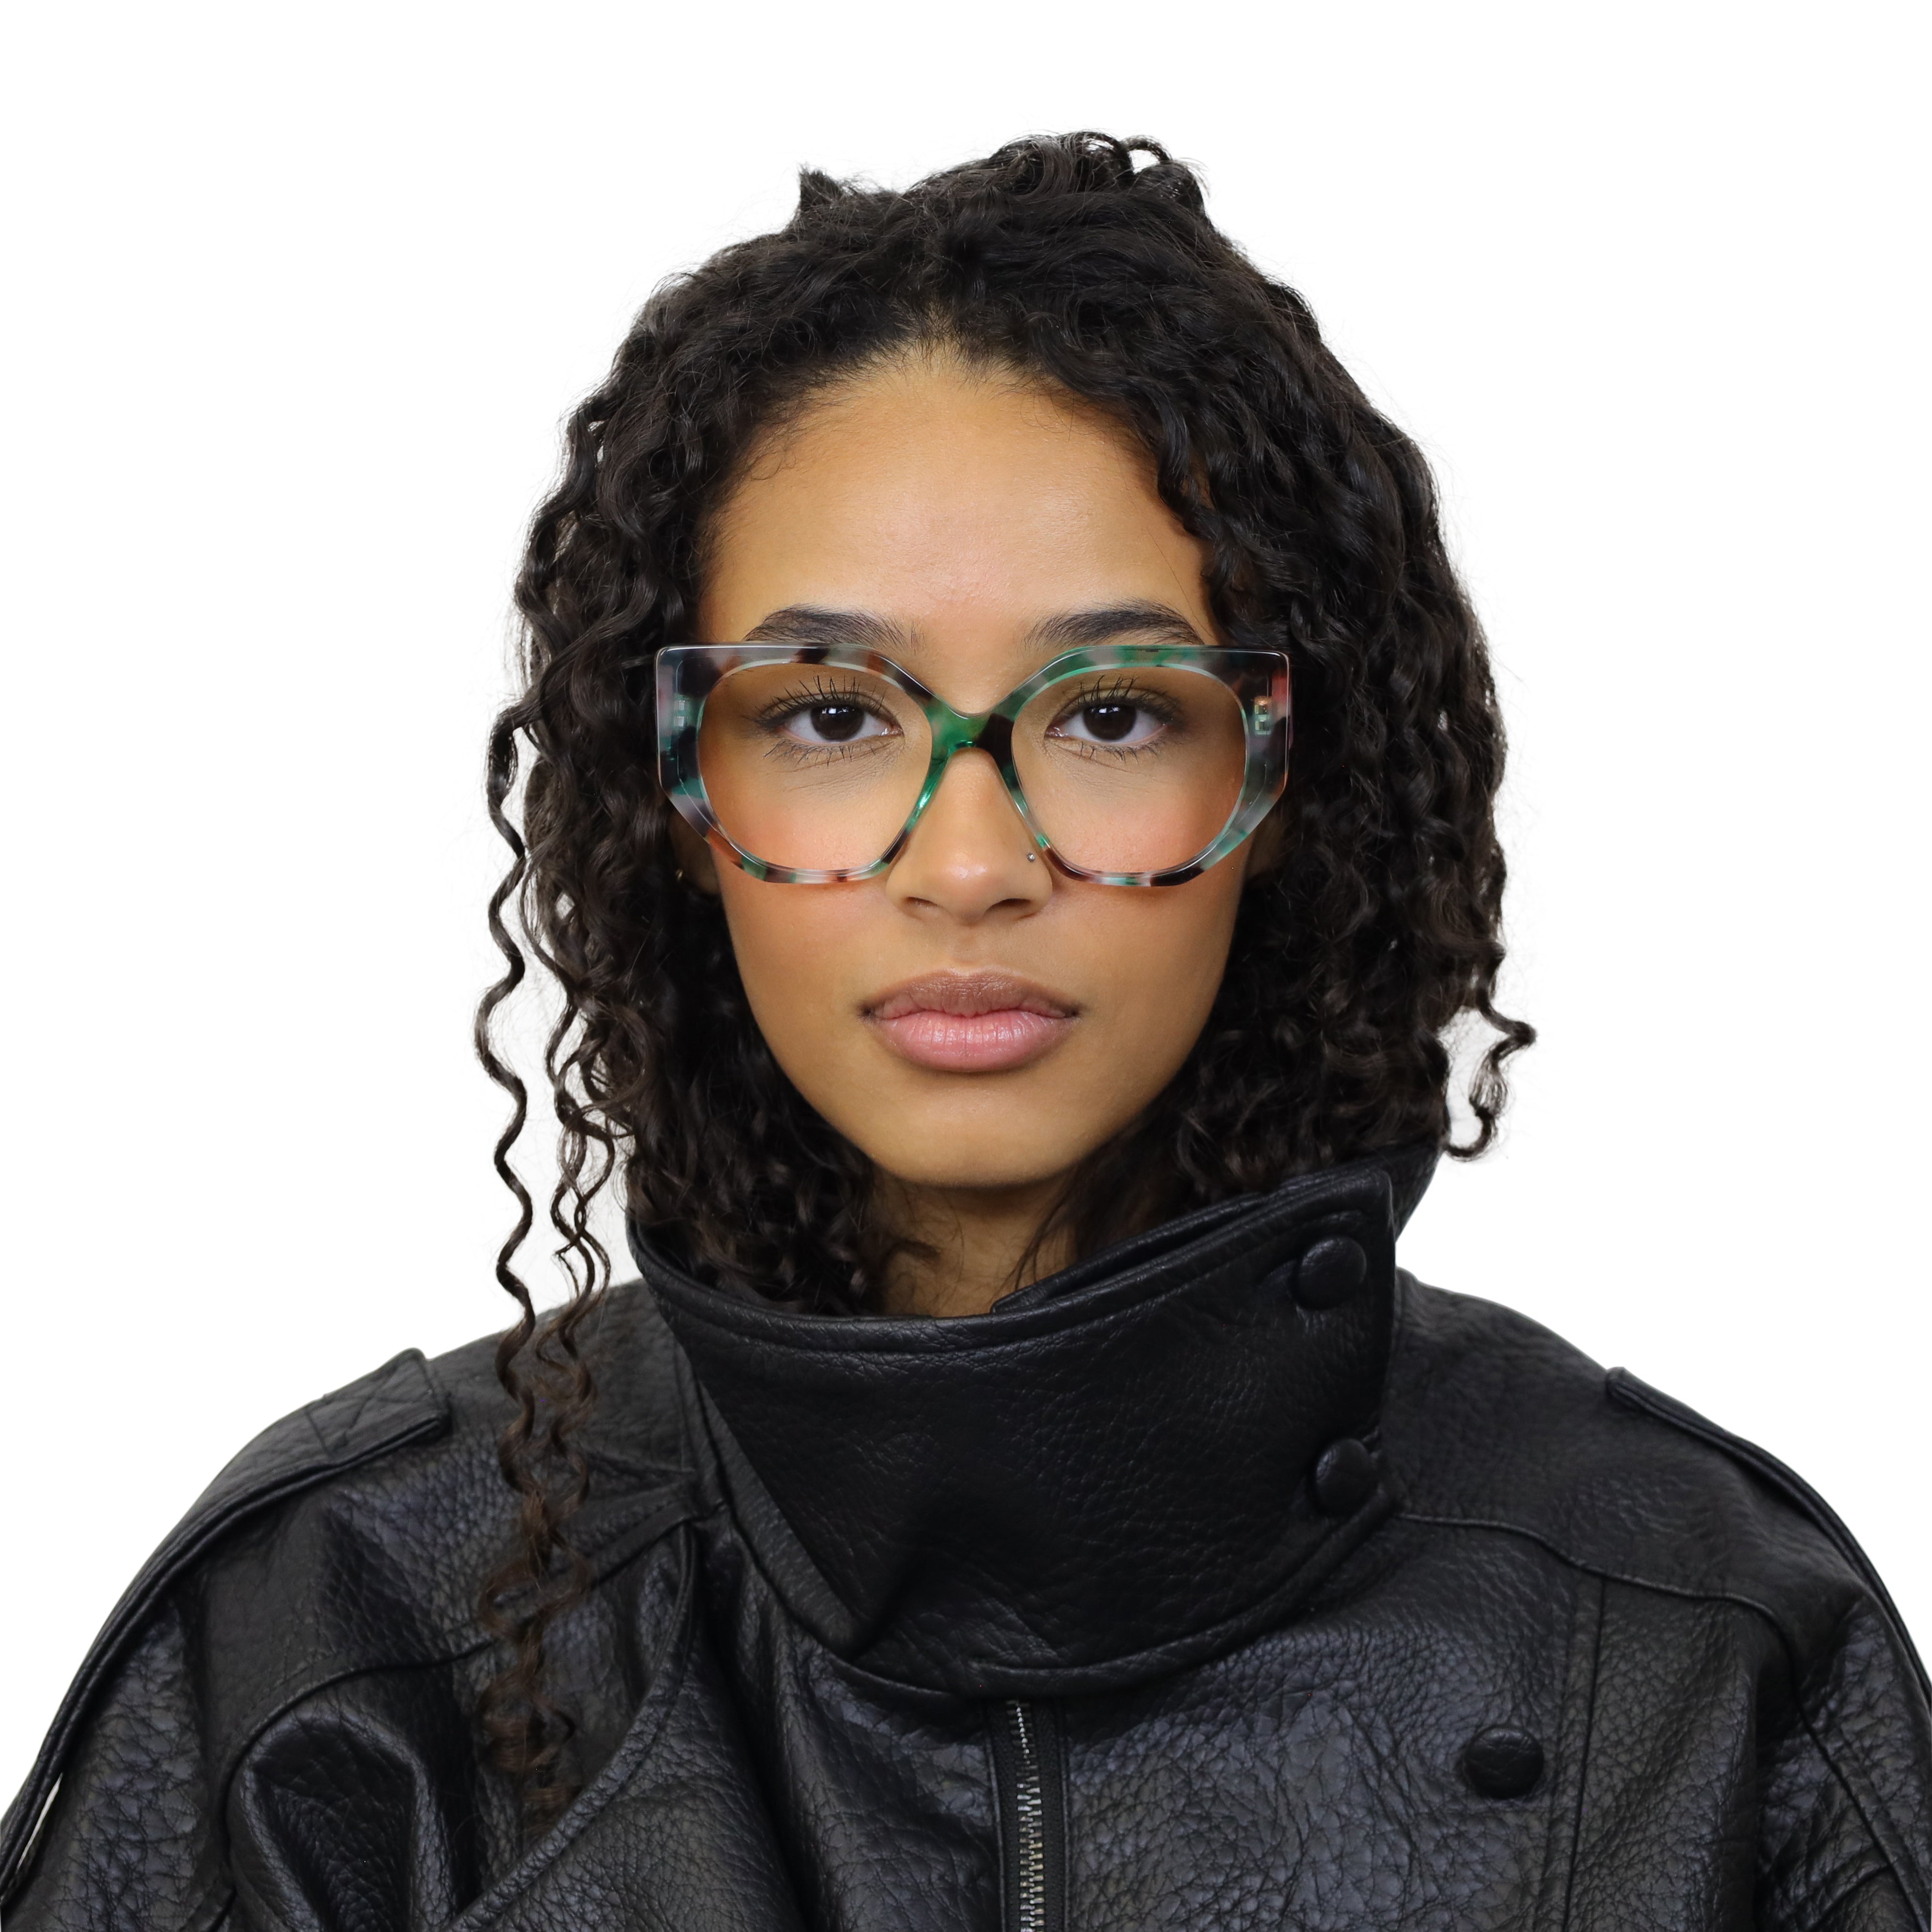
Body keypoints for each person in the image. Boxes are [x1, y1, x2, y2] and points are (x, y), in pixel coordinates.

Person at [3, 131, 1924, 1932]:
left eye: (1114, 713)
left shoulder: (1701, 1639)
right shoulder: (340, 1640)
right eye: (834, 715)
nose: (976, 862)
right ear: (675, 798)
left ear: (1280, 784)